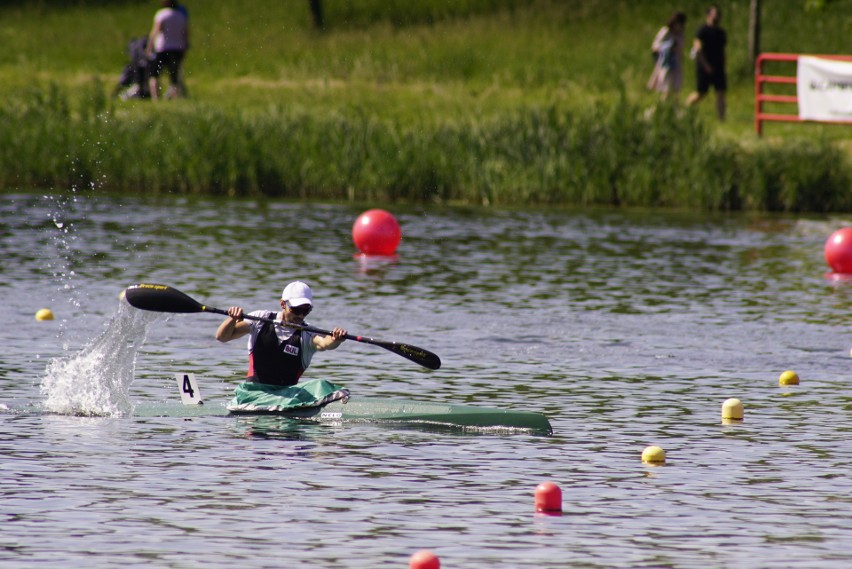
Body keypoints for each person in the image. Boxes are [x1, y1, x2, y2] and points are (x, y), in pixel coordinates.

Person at [215, 281, 347, 386]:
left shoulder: (307, 334)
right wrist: (232, 319)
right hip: (254, 393)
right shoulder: (261, 319)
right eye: (296, 309)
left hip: (286, 397)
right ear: (283, 304)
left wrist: (336, 339)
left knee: (321, 384)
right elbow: (222, 337)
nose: (301, 315)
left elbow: (324, 343)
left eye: (306, 311)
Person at [686, 4, 727, 120]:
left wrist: (724, 65)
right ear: (708, 16)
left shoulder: (721, 33)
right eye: (714, 15)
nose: (716, 18)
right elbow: (697, 49)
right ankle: (686, 108)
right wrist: (706, 65)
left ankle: (721, 119)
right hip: (704, 67)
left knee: (721, 93)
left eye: (718, 15)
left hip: (718, 66)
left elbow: (723, 50)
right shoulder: (702, 31)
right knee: (701, 93)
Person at [145, 0, 189, 100]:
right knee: (174, 76)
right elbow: (186, 33)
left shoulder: (162, 14)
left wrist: (149, 46)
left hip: (163, 48)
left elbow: (155, 31)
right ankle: (175, 98)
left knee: (154, 74)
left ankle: (155, 98)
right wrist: (185, 47)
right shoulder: (181, 16)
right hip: (178, 49)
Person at [646, 11, 687, 100]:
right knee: (666, 88)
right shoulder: (666, 31)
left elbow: (680, 49)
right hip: (665, 63)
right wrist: (668, 46)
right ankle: (660, 108)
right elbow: (655, 46)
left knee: (676, 89)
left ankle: (672, 109)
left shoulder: (681, 35)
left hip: (676, 64)